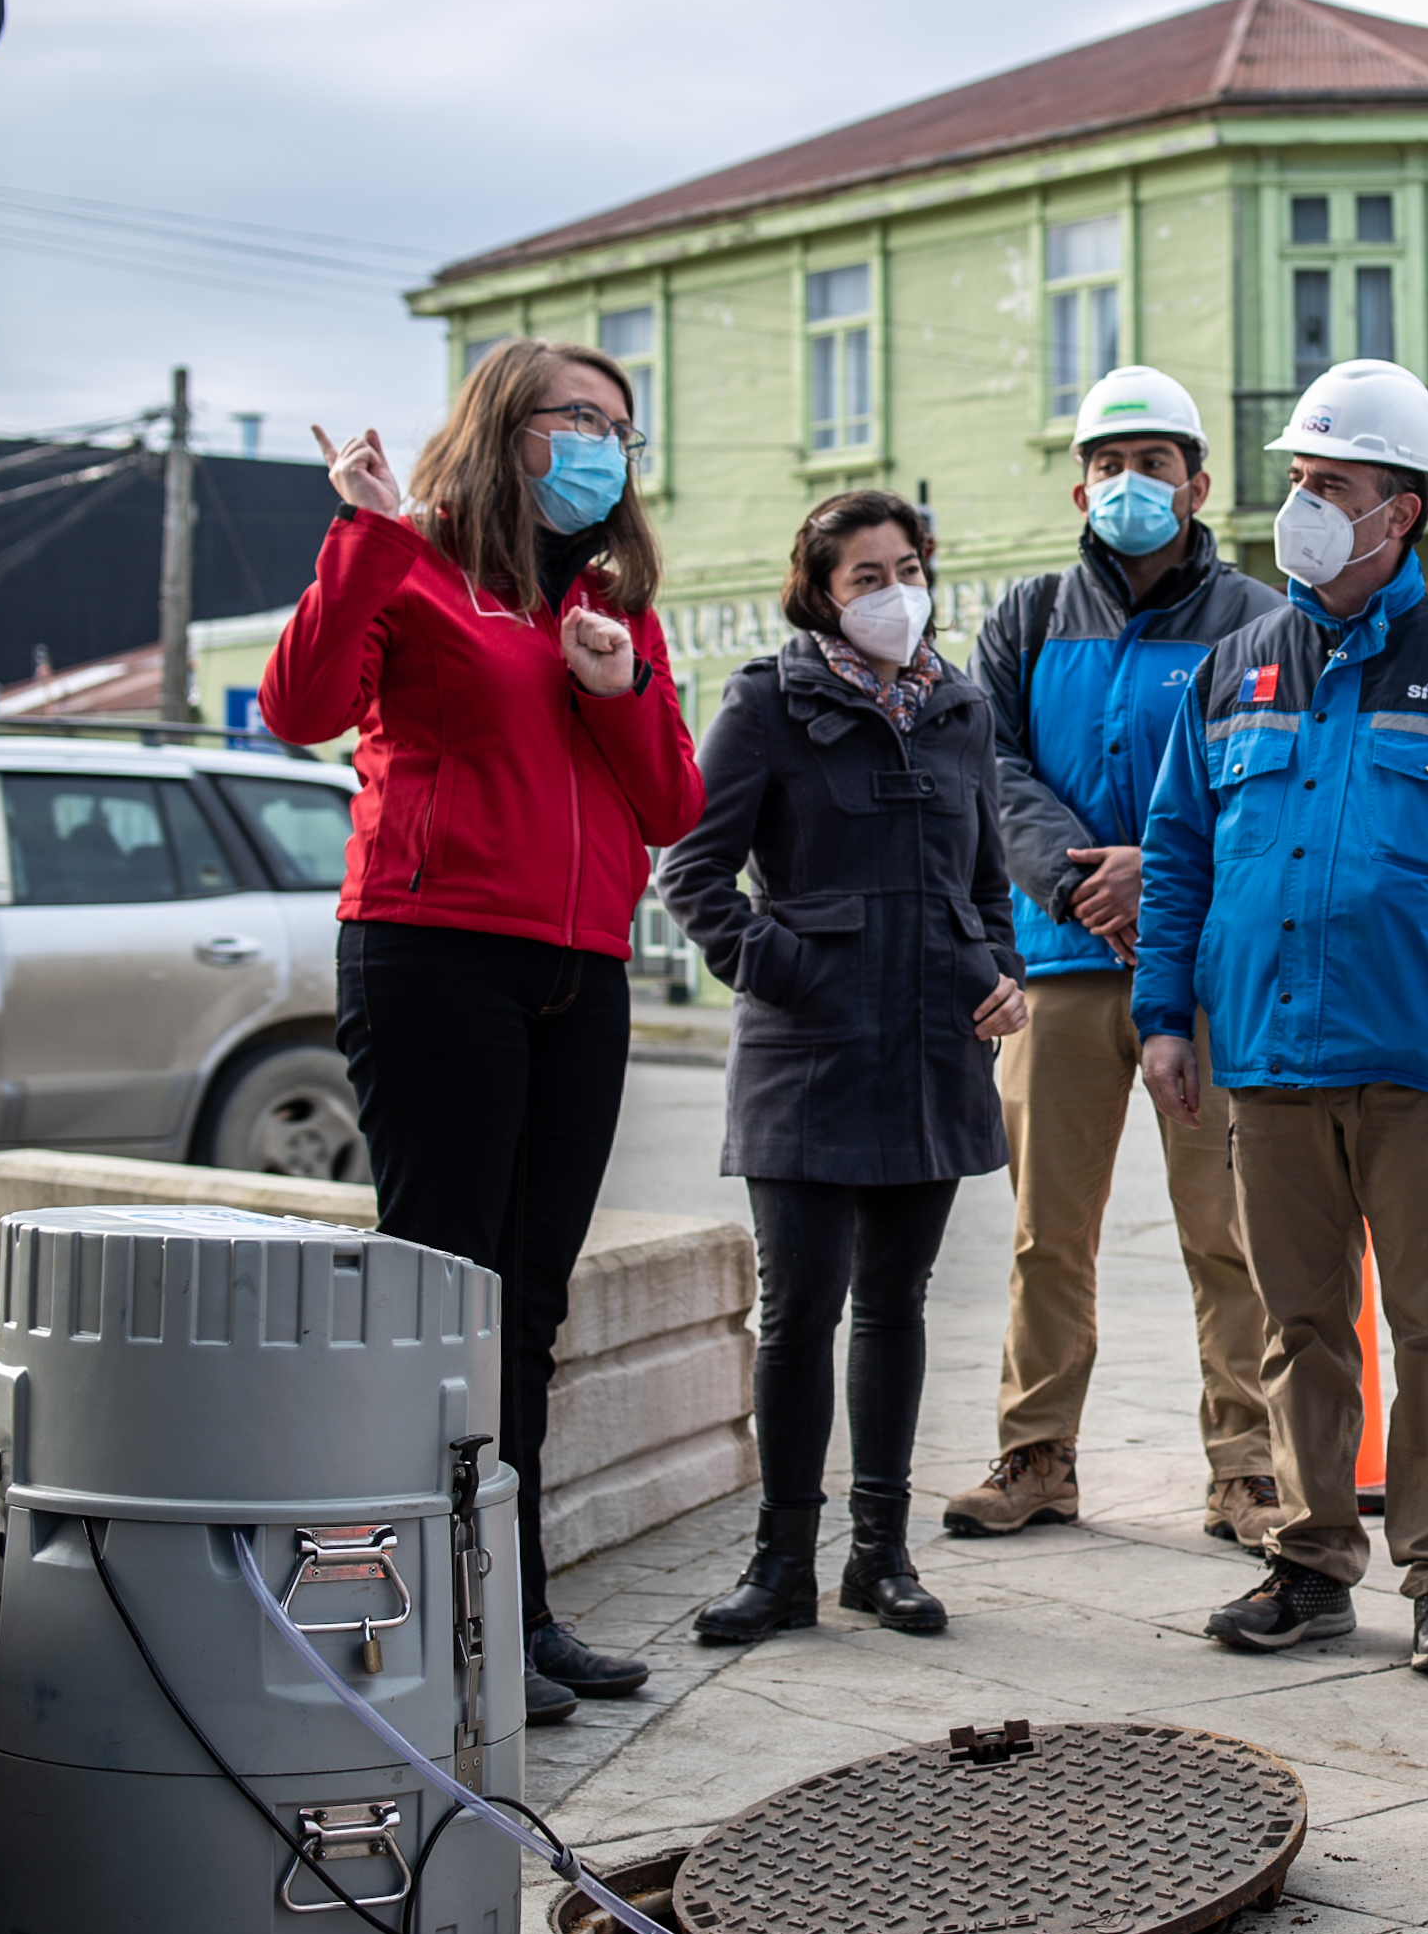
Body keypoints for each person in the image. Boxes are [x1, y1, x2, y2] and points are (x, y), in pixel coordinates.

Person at [270, 340, 704, 1729]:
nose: (598, 444)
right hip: (434, 954)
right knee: (442, 1297)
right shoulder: (410, 561)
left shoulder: (611, 607)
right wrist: (360, 532)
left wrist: (614, 687)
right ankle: (428, 1611)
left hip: (581, 972)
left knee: (531, 1301)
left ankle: (512, 1607)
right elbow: (300, 705)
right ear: (503, 425)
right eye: (572, 416)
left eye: (618, 428)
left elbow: (670, 805)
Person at [1132, 359, 1428, 1678]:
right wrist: (1165, 1014)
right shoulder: (1232, 667)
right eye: (1297, 480)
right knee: (1299, 1328)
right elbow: (1178, 850)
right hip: (1267, 1057)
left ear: (1402, 510)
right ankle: (1310, 1560)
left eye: (1331, 484)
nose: (1303, 506)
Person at [661, 489, 1029, 1646]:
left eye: (907, 566)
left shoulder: (962, 706)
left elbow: (983, 876)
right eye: (865, 574)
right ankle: (781, 1563)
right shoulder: (769, 701)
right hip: (807, 1051)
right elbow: (693, 872)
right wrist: (786, 967)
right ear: (820, 588)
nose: (892, 590)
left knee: (896, 1305)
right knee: (798, 1309)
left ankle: (881, 1554)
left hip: (934, 1044)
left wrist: (1002, 967)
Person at [943, 368, 1289, 1551]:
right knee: (1048, 1229)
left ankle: (1247, 1469)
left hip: (1200, 976)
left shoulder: (1259, 614)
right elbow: (990, 772)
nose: (1130, 484)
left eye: (1154, 463)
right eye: (1109, 463)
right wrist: (1082, 884)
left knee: (1227, 1231)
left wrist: (1160, 869)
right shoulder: (1028, 617)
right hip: (1059, 972)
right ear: (1076, 485)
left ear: (1199, 483)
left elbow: (1270, 778)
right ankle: (1035, 1453)